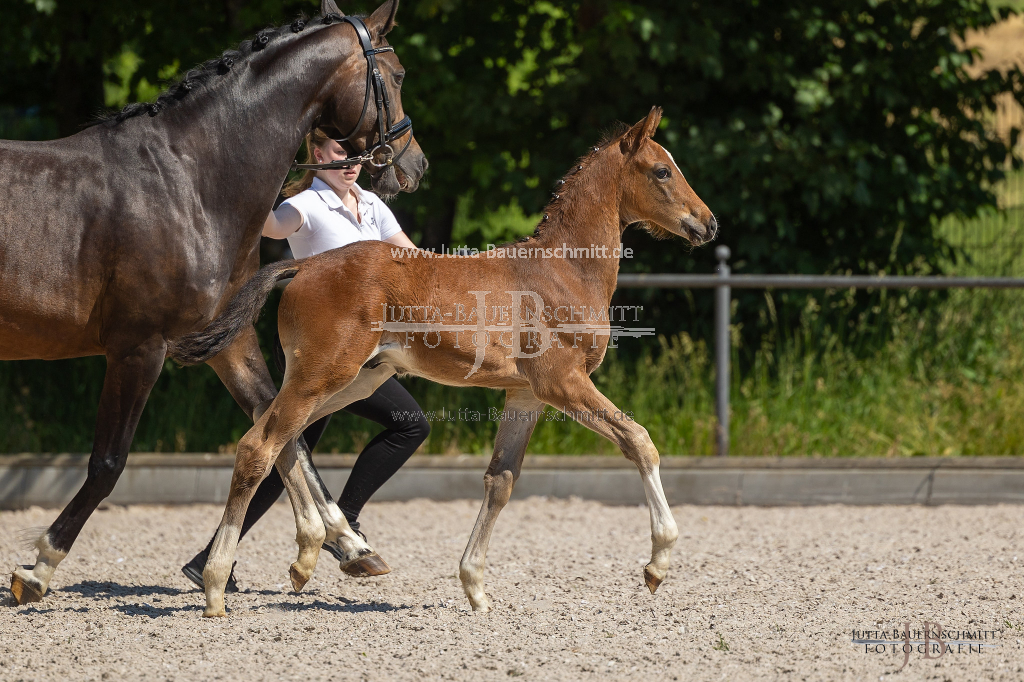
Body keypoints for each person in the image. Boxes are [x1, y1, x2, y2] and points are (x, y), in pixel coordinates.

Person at [181, 129, 430, 590]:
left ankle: (213, 557)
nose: (351, 162)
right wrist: (257, 177)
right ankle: (344, 527)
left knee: (290, 450)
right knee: (388, 427)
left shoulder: (372, 205)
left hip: (366, 347)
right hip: (316, 343)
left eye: (356, 155)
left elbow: (412, 258)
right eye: (340, 154)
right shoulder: (307, 206)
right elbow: (270, 227)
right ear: (316, 155)